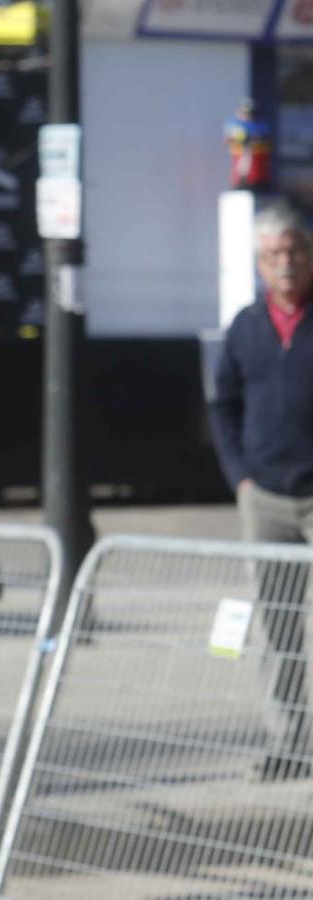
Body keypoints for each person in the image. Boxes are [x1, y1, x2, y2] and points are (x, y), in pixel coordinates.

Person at [209, 201, 313, 781]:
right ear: (258, 263)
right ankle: (290, 739)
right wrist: (240, 477)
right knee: (275, 623)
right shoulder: (246, 327)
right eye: (274, 254)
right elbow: (222, 405)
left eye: (295, 250)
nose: (286, 263)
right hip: (265, 496)